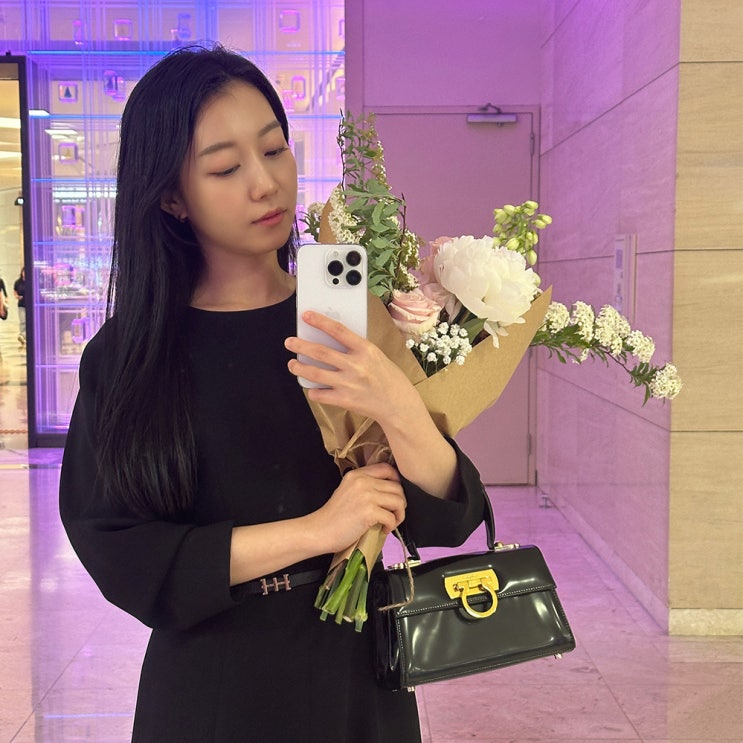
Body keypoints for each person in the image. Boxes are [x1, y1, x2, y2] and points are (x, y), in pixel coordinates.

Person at [59, 45, 486, 743]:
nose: (266, 184)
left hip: (357, 677)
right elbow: (121, 551)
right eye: (226, 167)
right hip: (213, 688)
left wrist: (398, 403)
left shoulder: (353, 316)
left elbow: (448, 518)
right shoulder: (130, 356)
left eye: (273, 149)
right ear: (171, 196)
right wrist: (318, 530)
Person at [13, 267, 25, 345]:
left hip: (29, 304)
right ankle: (22, 335)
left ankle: (24, 335)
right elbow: (15, 291)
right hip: (21, 304)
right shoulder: (18, 282)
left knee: (29, 321)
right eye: (23, 272)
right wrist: (17, 296)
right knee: (22, 320)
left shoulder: (30, 281)